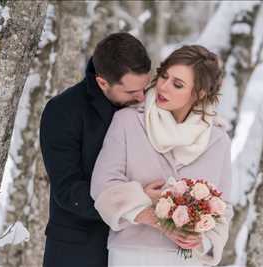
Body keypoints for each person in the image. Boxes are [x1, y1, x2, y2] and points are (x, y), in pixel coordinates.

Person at [90, 45, 233, 267]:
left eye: (177, 84)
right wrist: (154, 217)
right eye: (164, 76)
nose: (163, 87)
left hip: (188, 261)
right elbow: (103, 184)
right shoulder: (127, 121)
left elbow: (224, 206)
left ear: (199, 93)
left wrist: (202, 241)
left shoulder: (218, 140)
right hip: (133, 255)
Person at [39, 32, 152, 267]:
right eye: (132, 92)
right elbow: (68, 190)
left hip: (137, 246)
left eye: (145, 87)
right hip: (79, 249)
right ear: (103, 82)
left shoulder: (148, 104)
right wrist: (132, 205)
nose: (142, 97)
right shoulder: (63, 111)